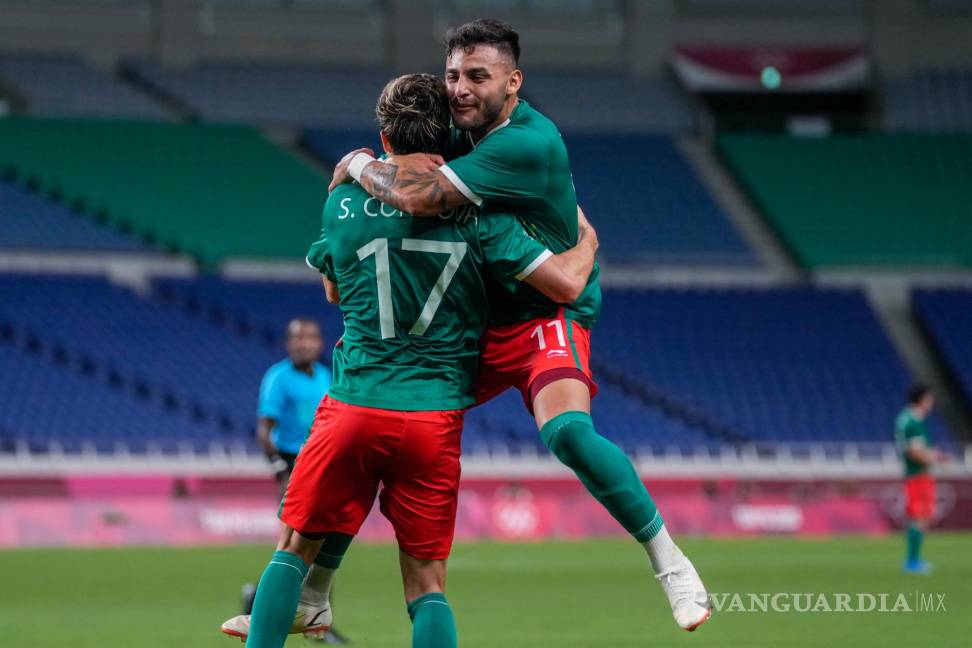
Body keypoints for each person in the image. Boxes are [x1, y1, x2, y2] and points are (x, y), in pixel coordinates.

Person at [329, 18, 710, 631]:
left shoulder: (526, 142)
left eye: (478, 76)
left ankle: (671, 562)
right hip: (481, 318)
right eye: (453, 75)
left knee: (566, 434)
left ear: (514, 82)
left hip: (545, 313)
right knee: (380, 419)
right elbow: (411, 162)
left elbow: (418, 195)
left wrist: (355, 164)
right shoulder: (459, 129)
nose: (460, 88)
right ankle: (312, 586)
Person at [227, 72, 598, 648]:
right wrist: (589, 243)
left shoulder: (344, 200)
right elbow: (561, 286)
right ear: (449, 133)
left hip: (354, 404)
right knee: (427, 585)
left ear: (383, 133)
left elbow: (333, 291)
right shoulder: (482, 213)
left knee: (294, 548)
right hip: (435, 416)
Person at [234, 319, 349, 644]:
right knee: (297, 545)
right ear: (288, 343)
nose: (304, 343)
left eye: (310, 337)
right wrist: (279, 469)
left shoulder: (327, 376)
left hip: (322, 463)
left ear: (319, 342)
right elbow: (264, 430)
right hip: (294, 466)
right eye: (297, 338)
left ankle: (266, 602)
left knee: (318, 543)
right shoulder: (278, 377)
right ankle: (283, 612)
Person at [895, 384, 947, 574]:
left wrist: (933, 454)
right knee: (920, 517)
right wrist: (934, 458)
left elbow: (915, 448)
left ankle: (913, 559)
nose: (931, 403)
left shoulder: (905, 419)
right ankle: (912, 561)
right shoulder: (913, 422)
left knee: (920, 517)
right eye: (930, 399)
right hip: (918, 475)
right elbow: (914, 452)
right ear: (923, 399)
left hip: (916, 474)